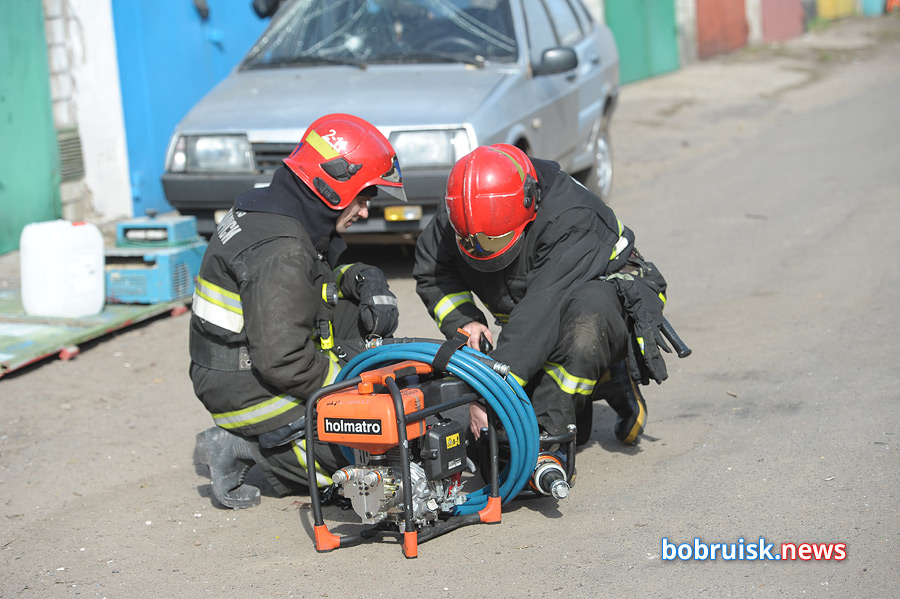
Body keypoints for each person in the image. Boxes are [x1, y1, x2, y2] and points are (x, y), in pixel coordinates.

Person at [190, 113, 406, 509]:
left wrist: (361, 278)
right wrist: (353, 391)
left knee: (361, 321)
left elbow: (307, 284)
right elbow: (284, 359)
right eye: (363, 197)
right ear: (333, 186)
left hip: (247, 360)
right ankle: (243, 448)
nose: (365, 211)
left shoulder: (277, 209)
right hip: (244, 386)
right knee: (375, 452)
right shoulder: (282, 250)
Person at [413, 144, 671, 448]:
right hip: (539, 309)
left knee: (585, 329)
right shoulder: (465, 206)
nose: (482, 250)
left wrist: (488, 395)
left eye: (496, 241)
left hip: (609, 303)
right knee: (516, 395)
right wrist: (465, 320)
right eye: (471, 244)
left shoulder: (572, 218)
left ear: (528, 204)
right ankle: (602, 380)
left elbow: (541, 313)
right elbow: (433, 272)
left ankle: (552, 437)